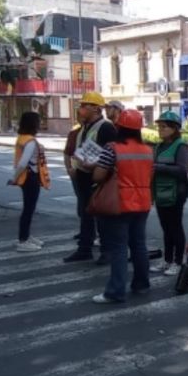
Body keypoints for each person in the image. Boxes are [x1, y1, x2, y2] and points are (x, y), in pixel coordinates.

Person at [91, 109, 153, 303]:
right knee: (139, 245)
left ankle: (116, 291)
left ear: (120, 127)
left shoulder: (112, 148)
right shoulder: (148, 150)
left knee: (118, 248)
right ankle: (142, 284)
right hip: (142, 202)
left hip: (120, 202)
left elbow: (98, 176)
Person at [64, 91, 118, 264]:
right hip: (83, 176)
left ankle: (106, 251)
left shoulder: (106, 127)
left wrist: (94, 166)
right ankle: (84, 248)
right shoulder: (85, 127)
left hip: (97, 178)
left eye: (84, 106)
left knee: (102, 216)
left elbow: (110, 154)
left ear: (95, 109)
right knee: (86, 214)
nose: (80, 109)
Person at [150, 111, 188, 276]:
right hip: (160, 192)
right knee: (166, 228)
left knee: (175, 227)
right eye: (159, 126)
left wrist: (161, 168)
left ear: (174, 128)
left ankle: (178, 261)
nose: (160, 129)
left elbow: (183, 170)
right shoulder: (159, 146)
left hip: (176, 193)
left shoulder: (181, 146)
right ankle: (167, 260)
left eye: (164, 127)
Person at [7, 111, 51, 252]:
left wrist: (15, 178)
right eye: (38, 121)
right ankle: (23, 240)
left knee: (28, 209)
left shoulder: (22, 138)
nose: (40, 124)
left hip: (27, 178)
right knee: (28, 209)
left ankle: (26, 236)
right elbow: (23, 163)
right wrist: (14, 179)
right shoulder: (31, 142)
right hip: (30, 178)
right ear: (34, 124)